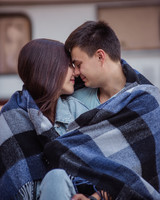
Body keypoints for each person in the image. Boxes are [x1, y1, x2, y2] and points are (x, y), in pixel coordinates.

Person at [42, 21, 160, 200]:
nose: (75, 72)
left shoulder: (147, 101)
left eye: (78, 64)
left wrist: (98, 197)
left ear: (100, 57)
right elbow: (67, 155)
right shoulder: (72, 101)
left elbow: (147, 165)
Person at [0, 38, 89, 200]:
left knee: (56, 179)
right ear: (49, 68)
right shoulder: (7, 119)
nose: (75, 72)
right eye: (69, 65)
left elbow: (98, 166)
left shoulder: (78, 110)